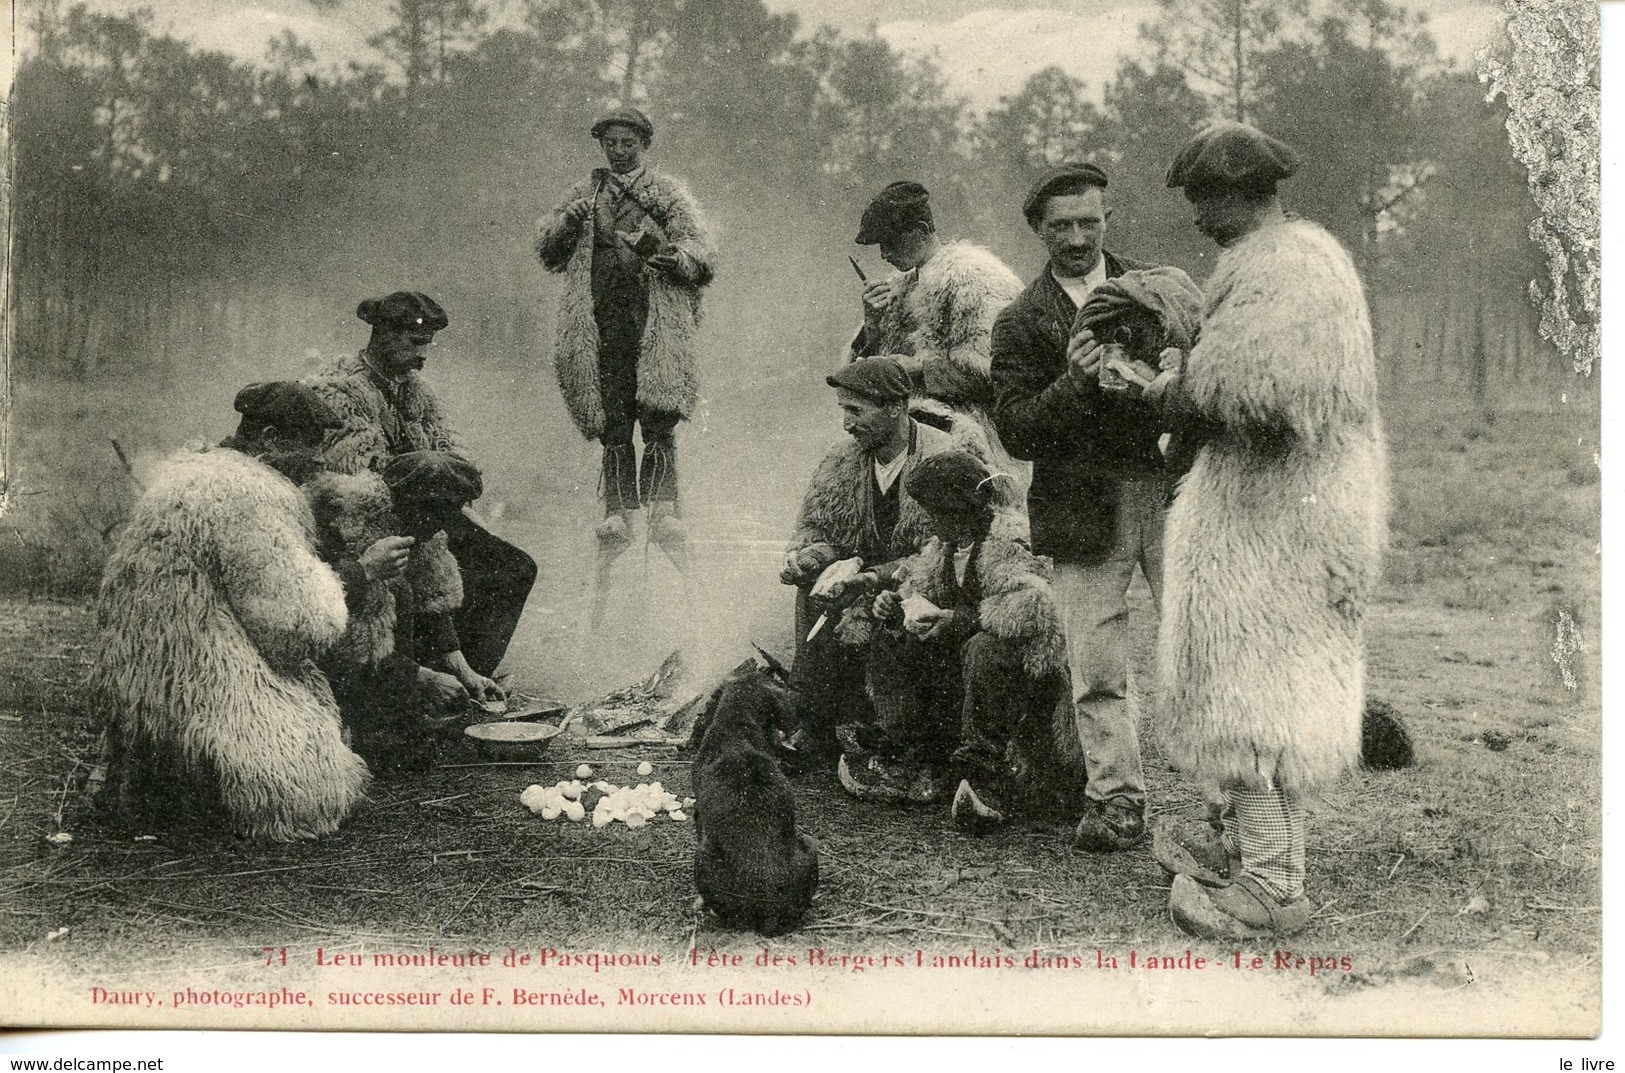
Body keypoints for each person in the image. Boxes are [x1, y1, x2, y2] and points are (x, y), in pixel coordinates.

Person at [1127, 122, 1389, 938]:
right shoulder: (1277, 262)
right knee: (1251, 691)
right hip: (1273, 514)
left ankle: (1273, 887)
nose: (1197, 218)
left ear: (1234, 192)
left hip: (1279, 526)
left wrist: (1166, 387)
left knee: (1253, 699)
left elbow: (1265, 392)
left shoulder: (1290, 265)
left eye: (1202, 200)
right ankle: (1253, 857)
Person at [989, 163, 1186, 851]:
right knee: (1096, 665)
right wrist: (1072, 384)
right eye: (1060, 225)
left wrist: (1168, 379)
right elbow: (1014, 430)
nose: (1076, 237)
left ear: (1108, 218)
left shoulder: (1154, 289)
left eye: (1088, 221)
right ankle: (1115, 800)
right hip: (1081, 502)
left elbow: (1200, 363)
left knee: (1196, 646)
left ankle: (1231, 801)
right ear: (1038, 230)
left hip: (1168, 490)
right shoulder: (1018, 321)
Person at [90, 382, 371, 841]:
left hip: (144, 679)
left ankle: (146, 786)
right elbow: (294, 624)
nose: (314, 468)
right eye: (306, 453)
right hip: (204, 678)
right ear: (271, 440)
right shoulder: (250, 495)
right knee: (312, 787)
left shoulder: (191, 476)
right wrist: (359, 573)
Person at [308, 291, 536, 698]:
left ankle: (467, 678)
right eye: (416, 343)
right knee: (413, 581)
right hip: (359, 520)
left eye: (428, 343)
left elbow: (454, 454)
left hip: (422, 508)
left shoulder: (416, 391)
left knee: (511, 567)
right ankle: (420, 682)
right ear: (382, 336)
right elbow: (352, 479)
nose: (424, 354)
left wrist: (448, 478)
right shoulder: (341, 392)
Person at [846, 449, 1075, 825]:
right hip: (970, 677)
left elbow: (1035, 610)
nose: (929, 520)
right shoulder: (944, 549)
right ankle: (918, 757)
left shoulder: (1010, 544)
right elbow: (919, 587)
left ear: (961, 509)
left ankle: (985, 778)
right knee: (898, 639)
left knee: (984, 648)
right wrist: (897, 604)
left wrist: (960, 619)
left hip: (1025, 681)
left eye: (936, 511)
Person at [535, 105, 718, 556]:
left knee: (657, 412)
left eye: (628, 144)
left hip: (654, 318)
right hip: (601, 319)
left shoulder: (668, 193)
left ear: (644, 146)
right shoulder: (584, 192)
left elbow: (701, 247)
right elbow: (548, 252)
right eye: (610, 144)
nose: (618, 152)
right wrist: (567, 223)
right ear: (600, 145)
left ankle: (662, 507)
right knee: (613, 416)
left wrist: (677, 257)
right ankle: (617, 511)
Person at [780, 358, 964, 761]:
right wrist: (808, 558)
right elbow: (821, 528)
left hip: (926, 583)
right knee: (815, 590)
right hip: (862, 578)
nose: (846, 424)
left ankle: (906, 736)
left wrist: (875, 576)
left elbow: (948, 549)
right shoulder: (842, 460)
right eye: (843, 411)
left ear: (896, 407)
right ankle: (815, 724)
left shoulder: (943, 457)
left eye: (856, 412)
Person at [306, 451, 489, 773]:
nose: (444, 525)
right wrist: (420, 676)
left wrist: (464, 670)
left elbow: (435, 605)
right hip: (333, 663)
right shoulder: (352, 531)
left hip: (382, 664)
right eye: (440, 513)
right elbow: (350, 642)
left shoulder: (424, 533)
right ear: (411, 503)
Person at [847, 181, 1024, 457]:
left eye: (891, 241)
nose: (884, 254)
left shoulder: (977, 279)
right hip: (908, 429)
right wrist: (873, 324)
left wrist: (919, 369)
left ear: (922, 229)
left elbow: (999, 372)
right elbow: (865, 378)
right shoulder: (900, 287)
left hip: (973, 433)